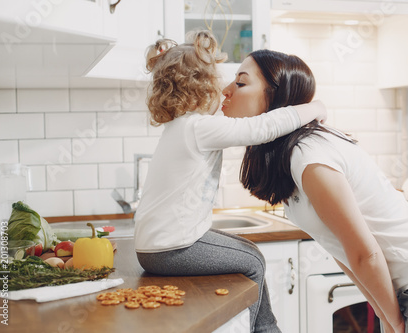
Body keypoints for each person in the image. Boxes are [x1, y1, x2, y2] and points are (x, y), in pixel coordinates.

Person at [221, 49, 408, 333]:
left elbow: (364, 255)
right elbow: (343, 251)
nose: (226, 90)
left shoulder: (309, 158)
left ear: (276, 97)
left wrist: (394, 321)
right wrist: (386, 316)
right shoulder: (288, 157)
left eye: (241, 83)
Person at [134, 30, 327, 333]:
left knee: (250, 252)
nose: (225, 91)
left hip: (158, 248)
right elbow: (262, 127)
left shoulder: (181, 127)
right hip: (171, 249)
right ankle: (263, 329)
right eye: (218, 84)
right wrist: (315, 109)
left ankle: (266, 329)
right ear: (200, 90)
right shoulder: (199, 128)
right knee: (254, 261)